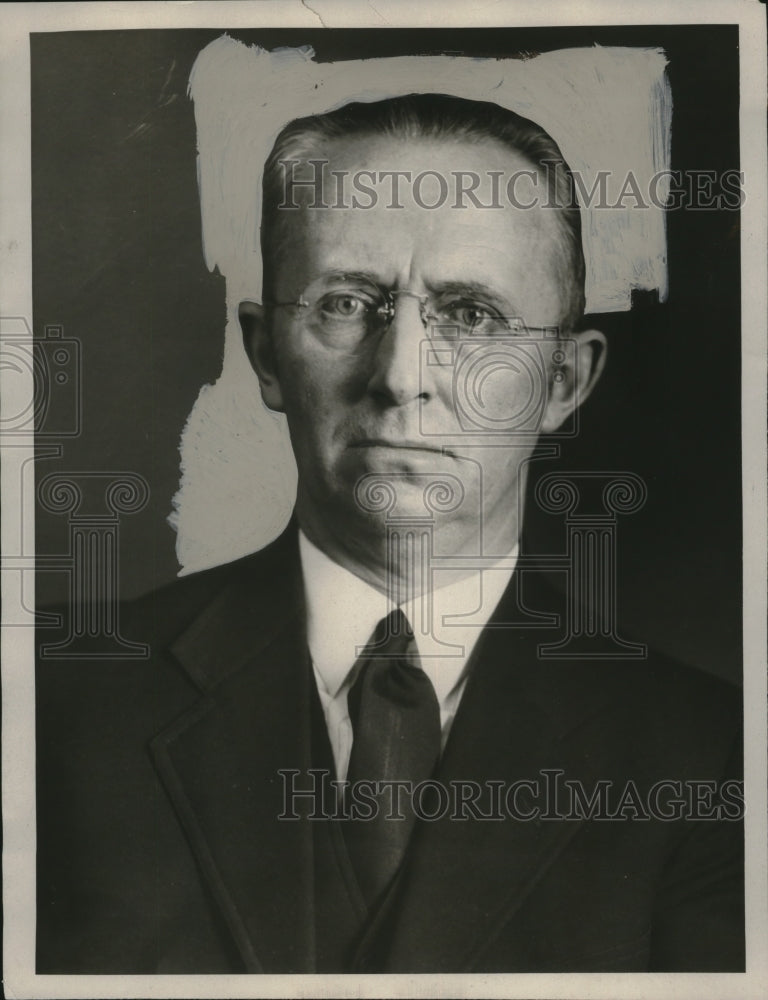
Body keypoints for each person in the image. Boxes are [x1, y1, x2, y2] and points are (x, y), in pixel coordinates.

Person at [36, 93, 744, 974]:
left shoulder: (715, 756)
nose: (401, 375)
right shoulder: (47, 704)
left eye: (472, 316)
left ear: (563, 381)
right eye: (345, 303)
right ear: (264, 354)